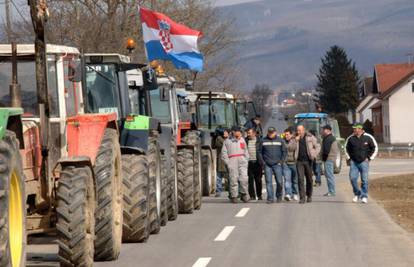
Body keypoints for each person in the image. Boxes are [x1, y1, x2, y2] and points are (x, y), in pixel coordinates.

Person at [345, 123, 378, 204]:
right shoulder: (350, 138)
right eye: (354, 129)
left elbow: (375, 148)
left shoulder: (368, 137)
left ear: (360, 129)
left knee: (364, 180)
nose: (354, 130)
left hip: (364, 162)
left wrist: (370, 158)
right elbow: (345, 148)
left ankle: (364, 196)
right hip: (354, 162)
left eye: (356, 128)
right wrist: (349, 158)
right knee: (352, 178)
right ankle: (357, 194)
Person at [258, 127, 287, 203]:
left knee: (280, 182)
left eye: (272, 132)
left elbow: (284, 152)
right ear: (267, 132)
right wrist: (263, 163)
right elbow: (259, 152)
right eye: (269, 132)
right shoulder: (263, 140)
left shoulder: (280, 140)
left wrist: (281, 162)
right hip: (267, 165)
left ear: (275, 132)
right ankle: (270, 198)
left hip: (277, 164)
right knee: (268, 182)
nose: (271, 134)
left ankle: (279, 196)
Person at [221, 126, 250, 203]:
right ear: (233, 132)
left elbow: (246, 151)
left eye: (240, 131)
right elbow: (224, 154)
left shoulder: (242, 140)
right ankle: (234, 196)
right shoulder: (227, 141)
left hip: (242, 160)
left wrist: (246, 160)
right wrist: (228, 163)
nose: (239, 133)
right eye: (237, 131)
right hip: (232, 160)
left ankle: (244, 194)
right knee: (233, 179)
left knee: (244, 178)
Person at [296, 125, 320, 204]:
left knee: (309, 179)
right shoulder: (295, 138)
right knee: (300, 179)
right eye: (297, 130)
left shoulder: (310, 137)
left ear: (304, 130)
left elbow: (318, 146)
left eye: (300, 130)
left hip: (308, 161)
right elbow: (290, 148)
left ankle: (309, 195)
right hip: (299, 161)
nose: (298, 132)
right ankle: (302, 198)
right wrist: (295, 141)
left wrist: (314, 154)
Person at [321, 125, 339, 197]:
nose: (322, 131)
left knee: (329, 176)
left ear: (328, 130)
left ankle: (331, 191)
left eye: (323, 129)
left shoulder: (328, 138)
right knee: (329, 175)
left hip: (328, 159)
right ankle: (331, 191)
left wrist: (323, 158)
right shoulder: (330, 138)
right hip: (330, 159)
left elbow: (326, 150)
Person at [246, 128, 262, 200]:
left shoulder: (259, 141)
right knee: (250, 180)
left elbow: (262, 151)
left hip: (257, 163)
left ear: (254, 133)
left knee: (258, 180)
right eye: (247, 133)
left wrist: (262, 162)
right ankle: (252, 195)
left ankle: (259, 195)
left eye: (249, 133)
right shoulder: (245, 140)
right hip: (249, 163)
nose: (248, 134)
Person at [283, 127, 299, 201]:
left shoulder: (294, 141)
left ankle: (295, 193)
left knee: (295, 180)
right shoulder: (283, 141)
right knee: (287, 180)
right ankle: (288, 194)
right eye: (285, 135)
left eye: (287, 134)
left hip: (294, 163)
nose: (286, 136)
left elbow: (292, 147)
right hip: (286, 164)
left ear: (291, 134)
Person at [213, 127, 229, 197]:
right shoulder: (219, 139)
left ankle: (229, 189)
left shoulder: (229, 139)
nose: (225, 133)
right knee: (219, 177)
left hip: (227, 160)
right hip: (221, 160)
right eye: (224, 132)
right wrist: (214, 138)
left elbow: (226, 145)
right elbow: (214, 146)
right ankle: (218, 190)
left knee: (228, 176)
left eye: (226, 132)